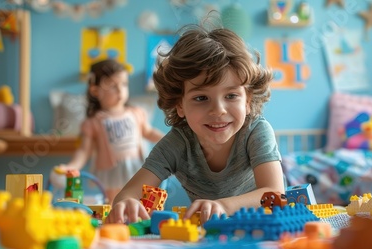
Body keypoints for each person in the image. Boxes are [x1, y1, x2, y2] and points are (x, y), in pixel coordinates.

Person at [106, 24, 285, 225]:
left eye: (231, 96)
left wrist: (223, 206)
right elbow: (128, 193)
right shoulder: (177, 143)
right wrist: (126, 203)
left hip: (263, 226)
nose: (218, 110)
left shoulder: (256, 132)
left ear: (248, 101)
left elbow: (274, 193)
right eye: (201, 98)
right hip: (210, 234)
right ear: (179, 105)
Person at [56, 59, 164, 203]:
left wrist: (169, 140)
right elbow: (84, 151)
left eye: (124, 84)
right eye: (113, 85)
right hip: (112, 171)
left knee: (144, 202)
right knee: (115, 204)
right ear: (95, 91)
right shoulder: (94, 122)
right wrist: (71, 166)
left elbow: (149, 132)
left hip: (137, 166)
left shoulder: (136, 113)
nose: (120, 90)